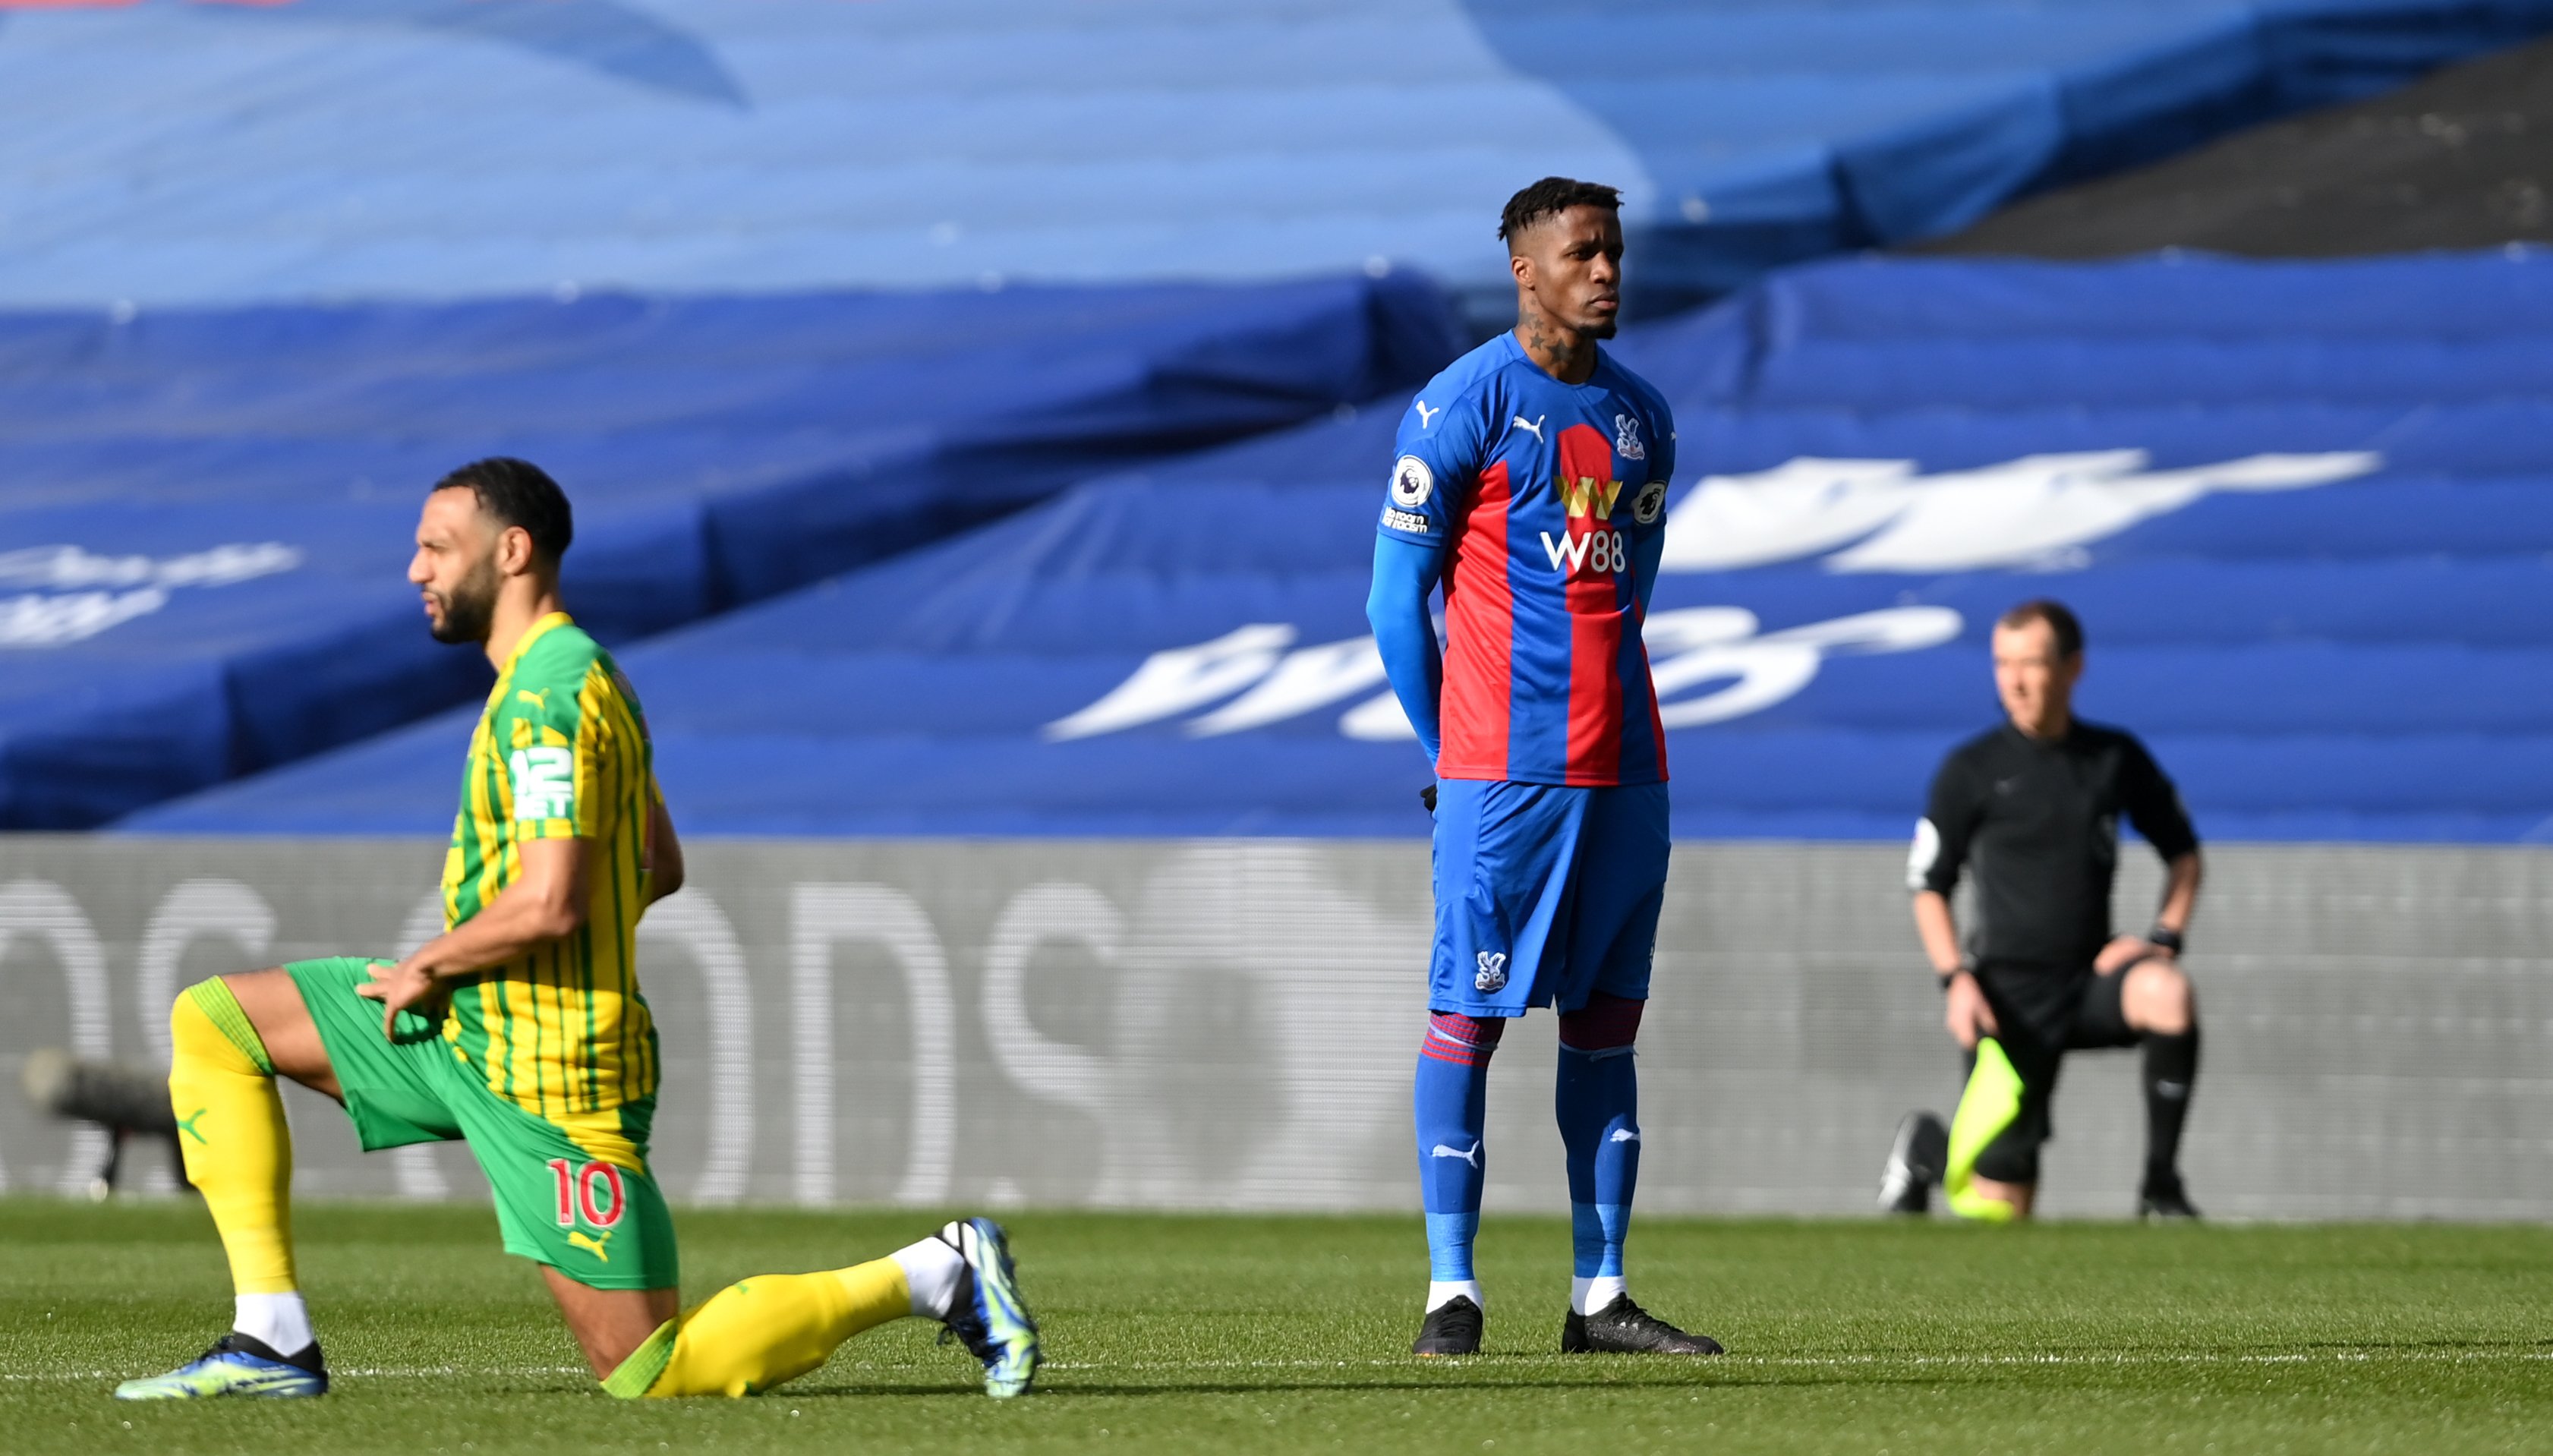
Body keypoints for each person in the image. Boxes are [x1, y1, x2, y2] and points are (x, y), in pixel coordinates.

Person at [116, 458, 1040, 1401]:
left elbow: (553, 898)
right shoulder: (568, 679)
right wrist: (482, 966)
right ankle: (271, 1340)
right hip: (469, 1029)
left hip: (554, 1075)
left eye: (436, 546)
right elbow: (659, 863)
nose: (414, 570)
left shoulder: (553, 690)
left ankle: (937, 1271)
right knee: (218, 1022)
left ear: (511, 551)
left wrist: (440, 959)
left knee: (651, 1373)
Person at [1366, 177, 1719, 1359]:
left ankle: (1597, 1292)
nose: (1605, 271)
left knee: (1606, 1030)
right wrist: (1448, 751)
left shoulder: (1643, 418)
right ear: (1524, 267)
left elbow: (1632, 589)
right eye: (1580, 253)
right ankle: (1449, 1291)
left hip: (1627, 773)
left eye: (1612, 250)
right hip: (1501, 781)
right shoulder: (1461, 404)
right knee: (1467, 1018)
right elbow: (1389, 602)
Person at [1881, 598, 2205, 1222]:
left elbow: (2184, 857)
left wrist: (2161, 939)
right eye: (2003, 663)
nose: (2015, 679)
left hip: (2088, 979)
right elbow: (1928, 886)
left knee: (2166, 992)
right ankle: (1927, 1150)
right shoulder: (1971, 769)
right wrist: (1956, 980)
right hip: (2005, 1000)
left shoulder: (2113, 758)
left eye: (2030, 662)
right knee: (2002, 1209)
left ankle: (2160, 1188)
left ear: (2072, 668)